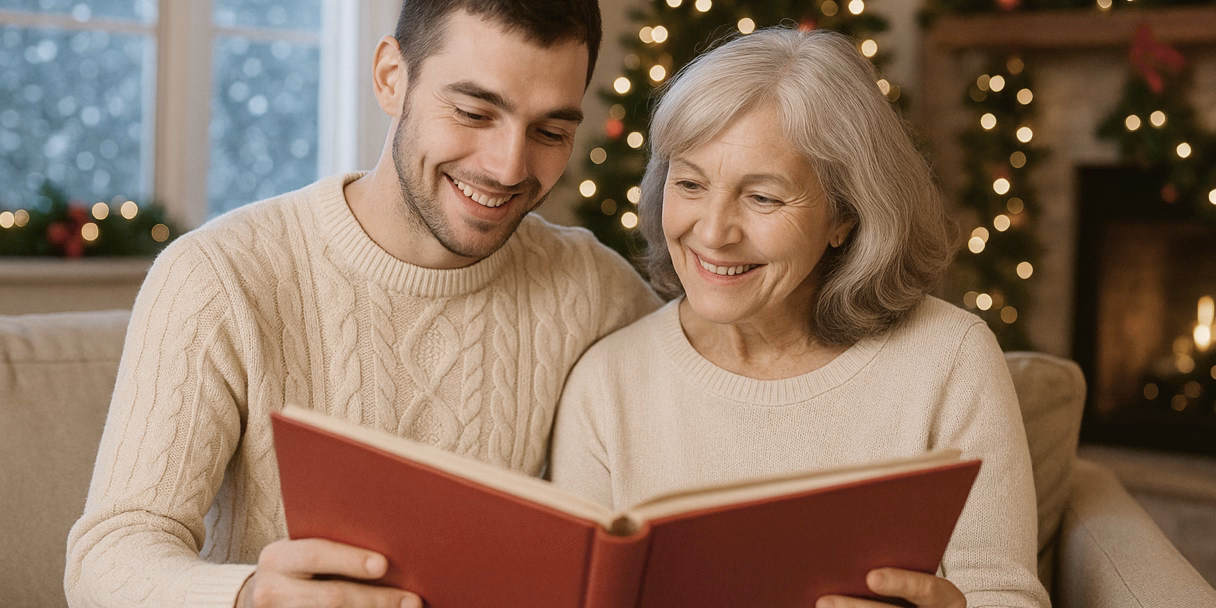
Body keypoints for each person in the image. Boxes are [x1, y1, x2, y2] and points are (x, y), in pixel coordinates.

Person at [65, 1, 660, 606]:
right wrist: (250, 596)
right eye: (474, 112)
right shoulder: (218, 276)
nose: (508, 167)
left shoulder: (593, 288)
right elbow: (106, 557)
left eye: (551, 131)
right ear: (391, 78)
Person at [549, 28, 1050, 608]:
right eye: (689, 184)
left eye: (762, 198)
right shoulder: (607, 381)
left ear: (845, 216)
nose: (712, 232)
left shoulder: (950, 357)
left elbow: (1006, 596)